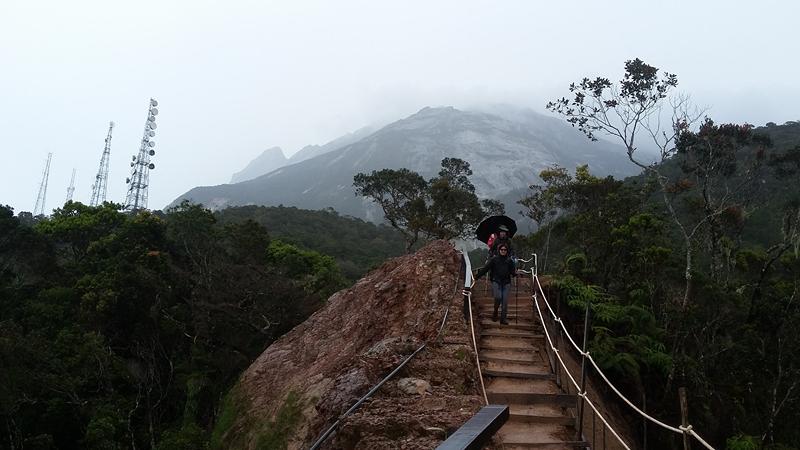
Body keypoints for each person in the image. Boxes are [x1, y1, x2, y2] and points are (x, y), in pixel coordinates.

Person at [473, 243, 516, 324]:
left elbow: (512, 272)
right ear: (499, 250)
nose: (503, 251)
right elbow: (486, 268)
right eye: (502, 250)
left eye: (505, 250)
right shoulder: (494, 260)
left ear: (507, 251)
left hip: (506, 283)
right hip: (496, 281)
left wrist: (515, 273)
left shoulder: (509, 261)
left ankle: (503, 319)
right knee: (498, 297)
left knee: (505, 302)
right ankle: (495, 311)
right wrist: (477, 276)